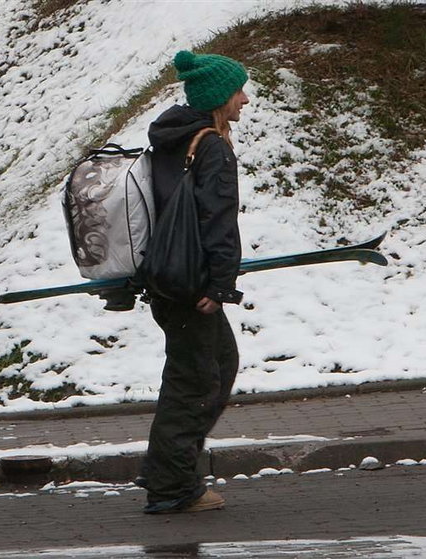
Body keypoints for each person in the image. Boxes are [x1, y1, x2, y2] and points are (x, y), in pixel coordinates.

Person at [139, 50, 249, 514]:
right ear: (219, 97)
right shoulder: (210, 146)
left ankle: (173, 475)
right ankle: (172, 487)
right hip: (191, 284)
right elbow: (216, 220)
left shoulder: (172, 138)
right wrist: (219, 285)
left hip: (166, 274)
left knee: (215, 365)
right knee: (196, 382)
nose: (244, 99)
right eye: (238, 91)